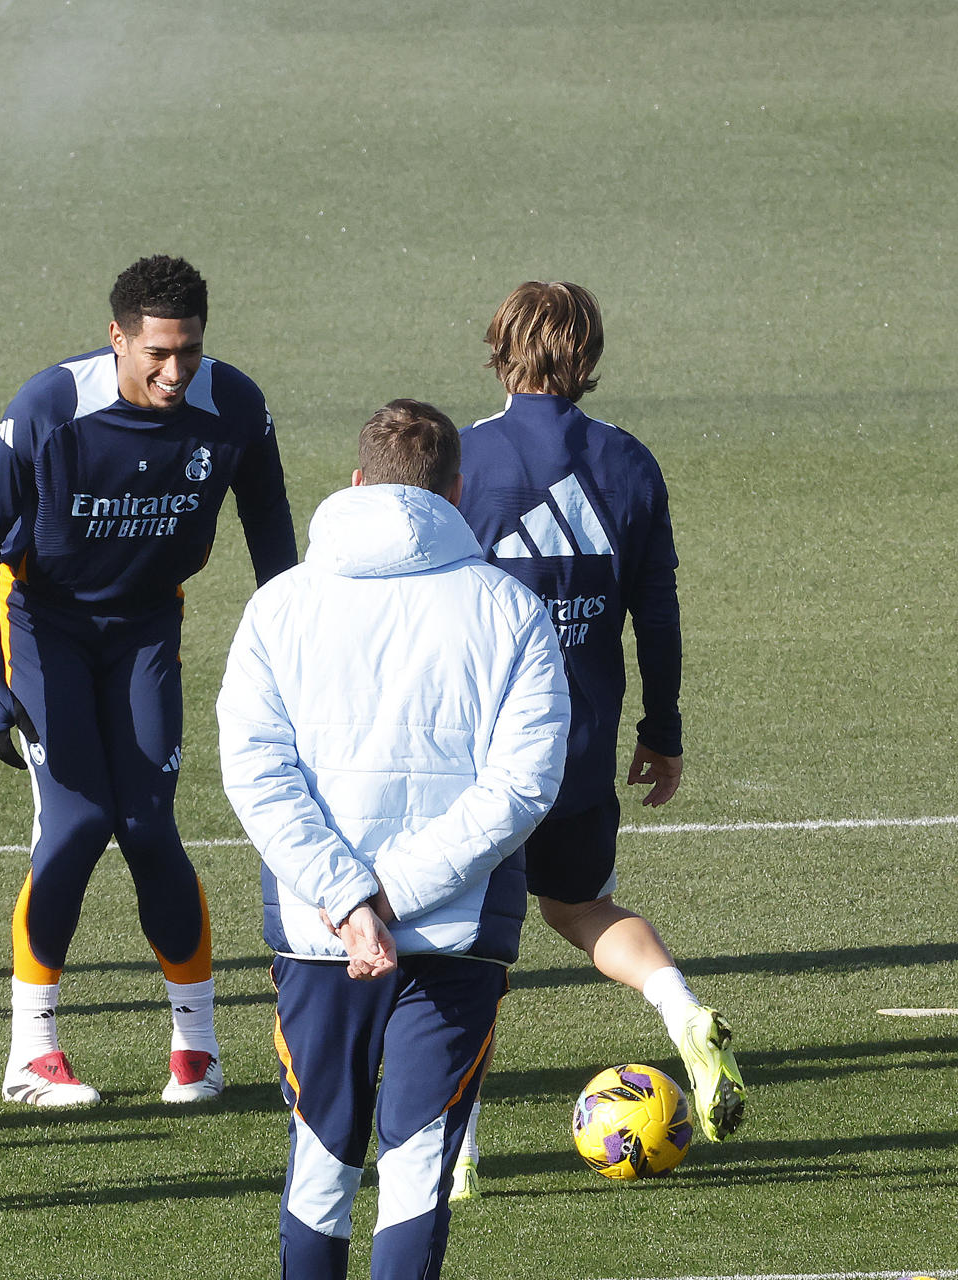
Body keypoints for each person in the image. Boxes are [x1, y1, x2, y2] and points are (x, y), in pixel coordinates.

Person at [218, 399, 570, 1280]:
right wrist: (392, 897)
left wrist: (347, 901)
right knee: (416, 1173)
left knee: (321, 1162)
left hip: (317, 936)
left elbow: (257, 775)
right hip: (454, 937)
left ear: (356, 483)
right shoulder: (511, 611)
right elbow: (521, 787)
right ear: (456, 490)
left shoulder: (278, 608)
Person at [0, 255, 296, 1107]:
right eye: (156, 352)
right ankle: (31, 1053)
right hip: (43, 621)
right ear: (117, 338)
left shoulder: (237, 409)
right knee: (78, 821)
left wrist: (299, 657)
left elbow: (274, 545)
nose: (175, 372)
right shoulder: (50, 409)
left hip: (147, 624)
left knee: (147, 824)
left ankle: (198, 1050)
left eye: (188, 351)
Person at [451, 281, 745, 1198]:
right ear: (589, 356)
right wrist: (663, 729)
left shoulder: (460, 459)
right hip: (577, 747)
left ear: (500, 350)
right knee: (579, 909)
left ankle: (452, 1152)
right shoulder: (628, 463)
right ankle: (680, 1007)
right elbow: (655, 613)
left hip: (480, 755)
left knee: (465, 951)